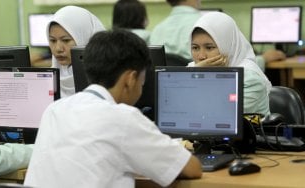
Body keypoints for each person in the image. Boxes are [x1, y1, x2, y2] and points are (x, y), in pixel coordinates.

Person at [24, 29, 202, 188]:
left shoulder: (54, 110)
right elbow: (192, 168)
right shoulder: (124, 118)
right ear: (130, 79)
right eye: (142, 81)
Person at [189, 12, 272, 116]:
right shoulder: (194, 68)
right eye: (195, 48)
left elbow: (223, 117)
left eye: (209, 47)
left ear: (228, 46)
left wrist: (196, 76)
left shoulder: (248, 79)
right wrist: (195, 73)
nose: (201, 56)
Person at [47, 5, 105, 97]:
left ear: (86, 38)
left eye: (66, 40)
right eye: (53, 40)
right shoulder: (48, 80)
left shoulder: (106, 79)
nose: (58, 48)